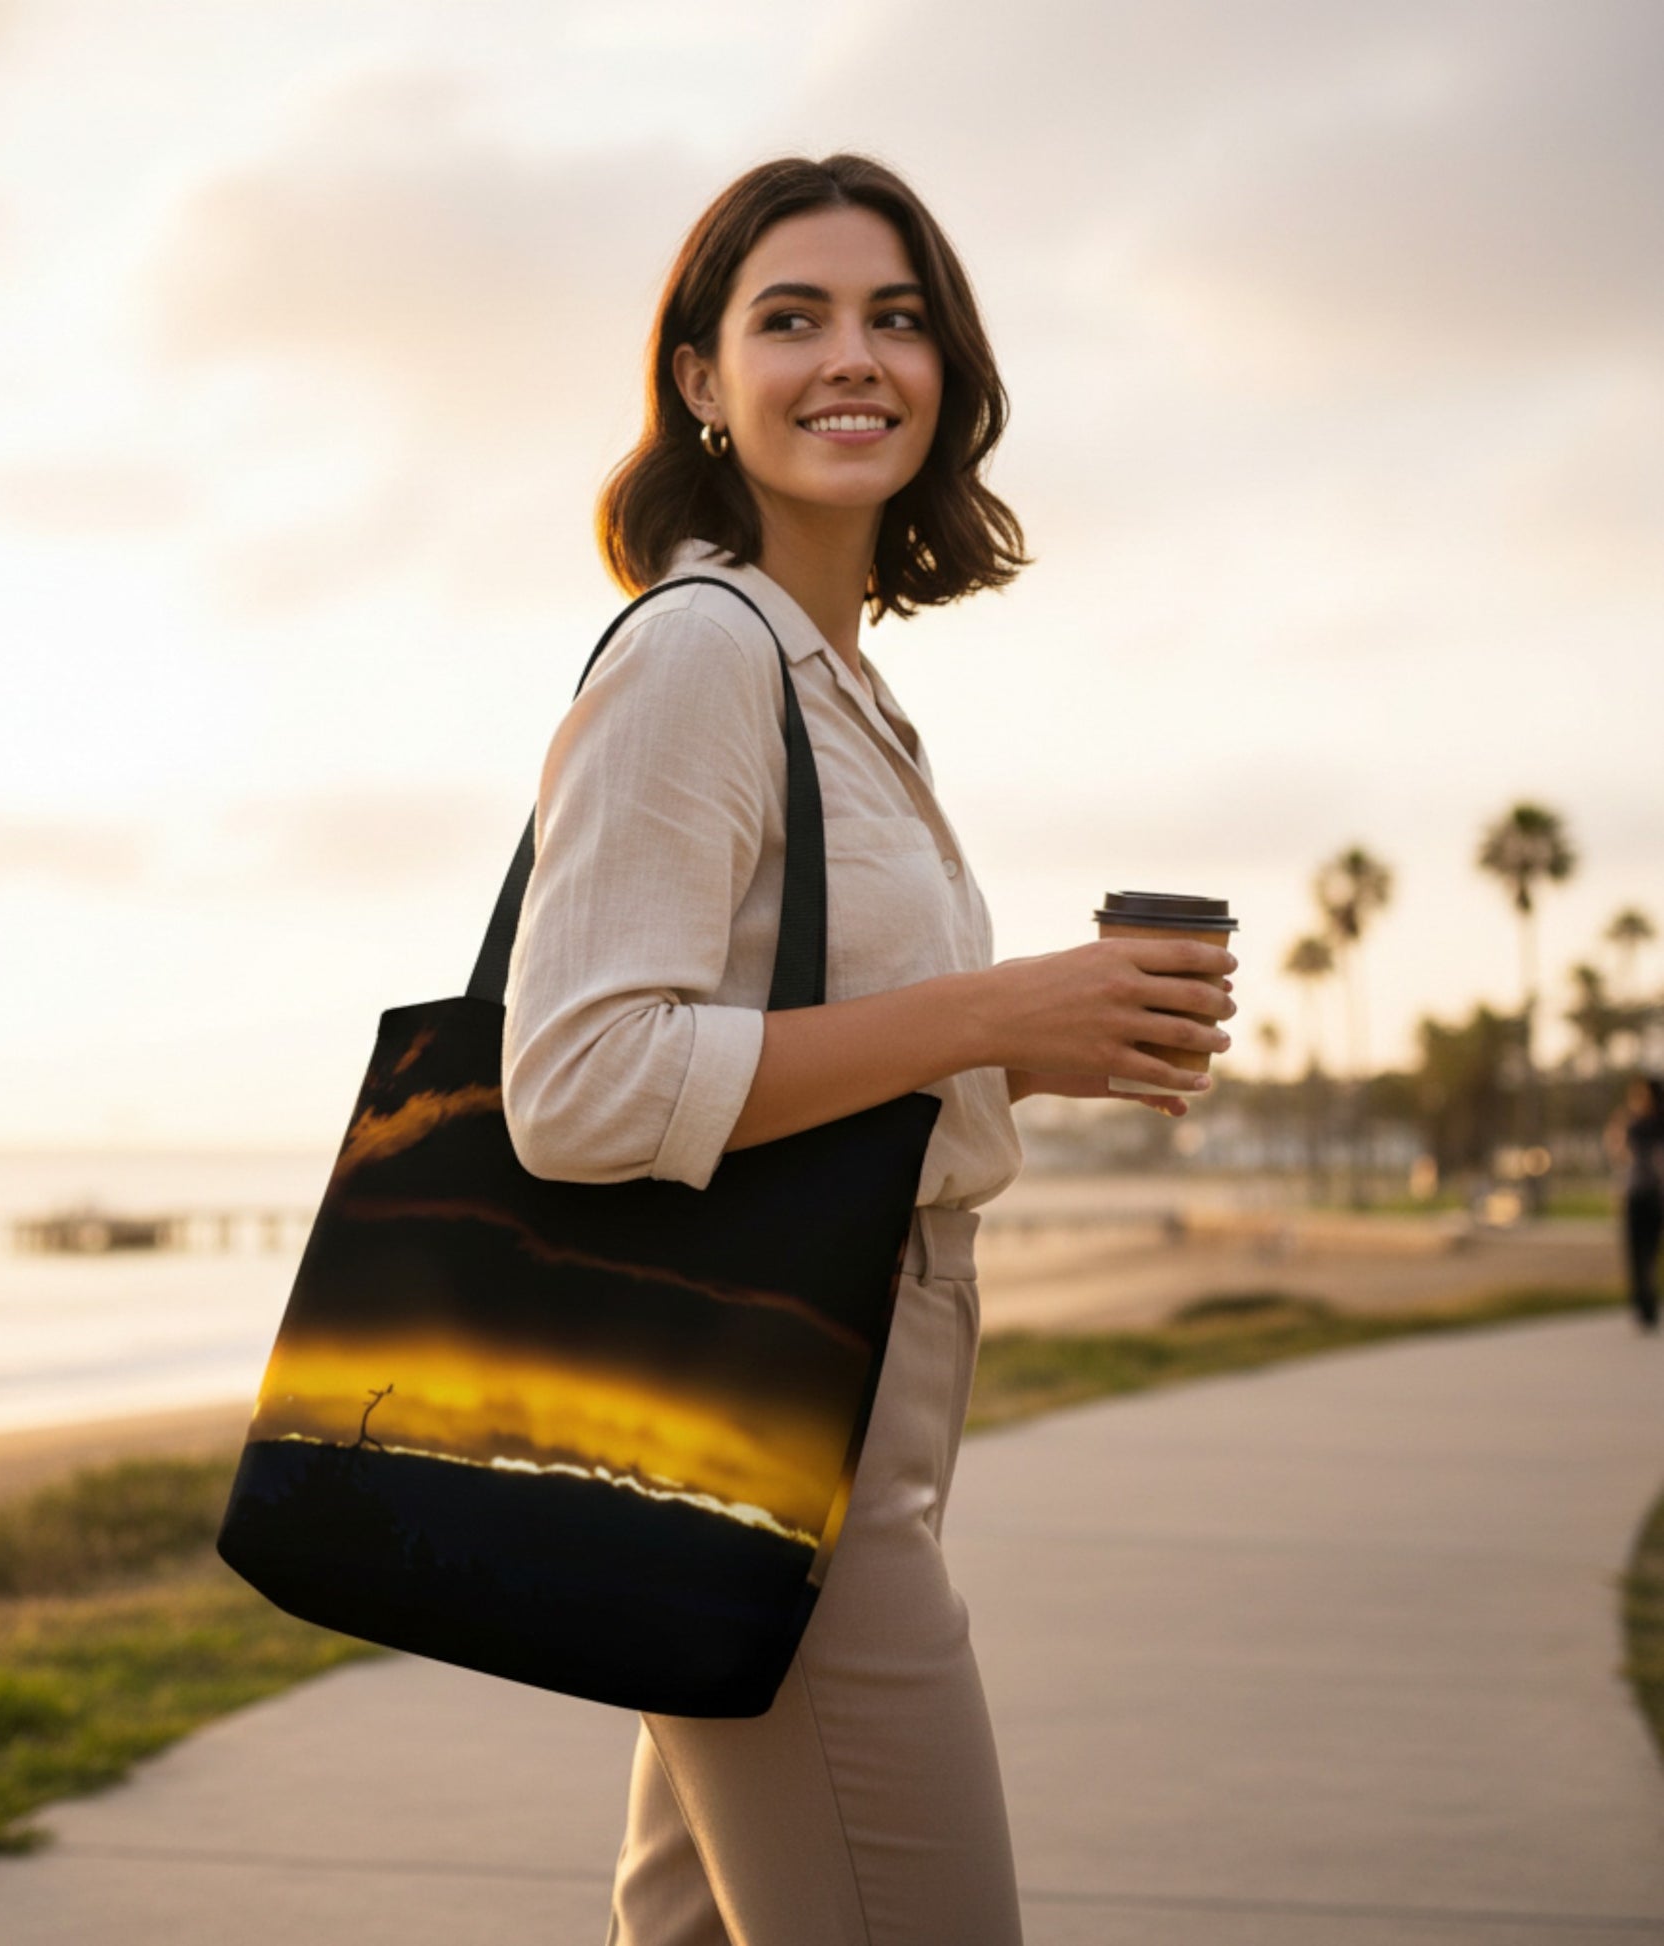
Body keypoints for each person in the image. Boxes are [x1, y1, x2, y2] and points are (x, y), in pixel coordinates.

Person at [499, 152, 1237, 1946]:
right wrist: (991, 1009)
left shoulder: (832, 678)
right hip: (784, 1416)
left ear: (947, 370)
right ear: (699, 379)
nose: (855, 358)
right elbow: (581, 1082)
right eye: (794, 318)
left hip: (836, 1380)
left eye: (896, 319)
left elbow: (790, 1042)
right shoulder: (700, 653)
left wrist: (1027, 1047)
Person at [1604, 1073, 1664, 1332]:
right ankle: (1643, 1306)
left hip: (1652, 1194)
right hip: (1636, 1193)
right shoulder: (1634, 1123)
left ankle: (1647, 1305)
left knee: (1647, 1253)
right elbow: (1617, 1154)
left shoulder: (1648, 1125)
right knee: (1637, 1254)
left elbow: (1619, 1152)